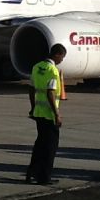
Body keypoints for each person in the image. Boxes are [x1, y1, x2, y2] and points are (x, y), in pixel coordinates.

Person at [26, 43, 67, 185]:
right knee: (50, 147)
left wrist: (32, 107)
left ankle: (31, 173)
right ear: (57, 54)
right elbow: (50, 93)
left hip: (38, 112)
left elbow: (31, 89)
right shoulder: (52, 71)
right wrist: (57, 114)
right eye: (62, 57)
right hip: (49, 115)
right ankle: (44, 176)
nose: (62, 60)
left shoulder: (37, 67)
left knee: (39, 145)